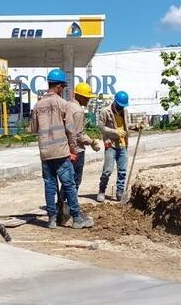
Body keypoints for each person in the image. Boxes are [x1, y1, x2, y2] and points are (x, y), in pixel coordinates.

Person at [30, 69, 93, 230]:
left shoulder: (37, 105)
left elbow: (33, 128)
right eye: (62, 87)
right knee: (69, 185)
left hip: (45, 152)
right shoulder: (63, 104)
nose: (63, 90)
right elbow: (71, 130)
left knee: (49, 185)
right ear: (58, 86)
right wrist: (73, 149)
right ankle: (77, 218)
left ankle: (51, 219)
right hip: (61, 151)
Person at [56, 82, 101, 224]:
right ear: (80, 96)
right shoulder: (78, 111)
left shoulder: (66, 105)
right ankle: (70, 212)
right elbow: (78, 135)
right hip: (76, 150)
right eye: (87, 97)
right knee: (74, 182)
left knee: (66, 181)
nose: (88, 100)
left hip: (63, 149)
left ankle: (60, 210)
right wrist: (92, 141)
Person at [97, 91, 142, 202]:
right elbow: (101, 127)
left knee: (122, 170)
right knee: (107, 170)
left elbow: (125, 126)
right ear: (115, 102)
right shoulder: (105, 111)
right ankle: (102, 190)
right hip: (111, 145)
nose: (121, 107)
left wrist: (135, 126)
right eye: (120, 105)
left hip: (123, 145)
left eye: (123, 106)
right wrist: (115, 132)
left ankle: (120, 192)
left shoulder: (124, 111)